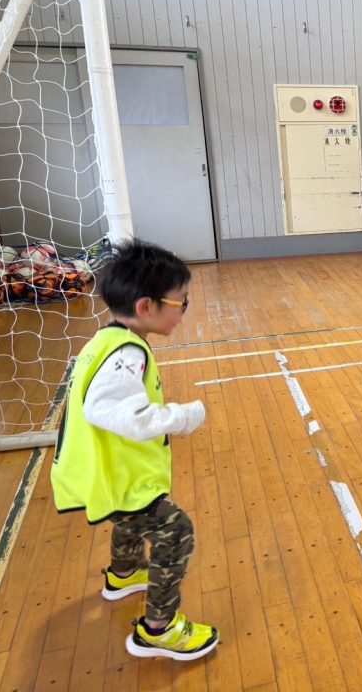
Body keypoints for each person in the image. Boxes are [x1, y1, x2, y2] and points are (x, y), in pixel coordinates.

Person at [50, 240, 218, 660]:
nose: (183, 311)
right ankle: (159, 629)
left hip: (117, 474)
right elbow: (113, 411)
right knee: (176, 531)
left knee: (131, 515)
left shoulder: (111, 339)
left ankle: (124, 574)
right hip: (115, 471)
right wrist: (181, 417)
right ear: (147, 307)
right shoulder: (126, 353)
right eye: (180, 303)